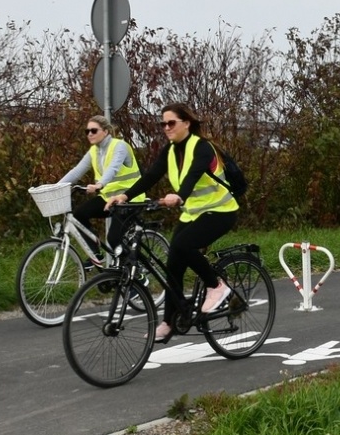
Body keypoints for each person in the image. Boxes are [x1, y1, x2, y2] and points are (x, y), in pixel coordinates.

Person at [106, 103, 237, 344]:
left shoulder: (202, 147)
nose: (166, 128)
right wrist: (124, 196)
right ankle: (169, 321)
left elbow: (193, 175)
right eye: (163, 124)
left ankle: (216, 285)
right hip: (193, 214)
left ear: (186, 123)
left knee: (183, 246)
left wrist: (180, 196)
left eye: (171, 123)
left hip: (221, 211)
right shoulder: (170, 151)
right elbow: (151, 176)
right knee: (173, 266)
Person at [56, 115, 144, 258]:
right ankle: (94, 254)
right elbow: (77, 171)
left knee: (114, 239)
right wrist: (56, 187)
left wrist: (99, 184)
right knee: (79, 214)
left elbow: (113, 168)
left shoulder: (119, 146)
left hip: (130, 198)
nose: (90, 134)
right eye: (87, 131)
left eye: (94, 130)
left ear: (106, 131)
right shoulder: (94, 151)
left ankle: (135, 270)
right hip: (108, 198)